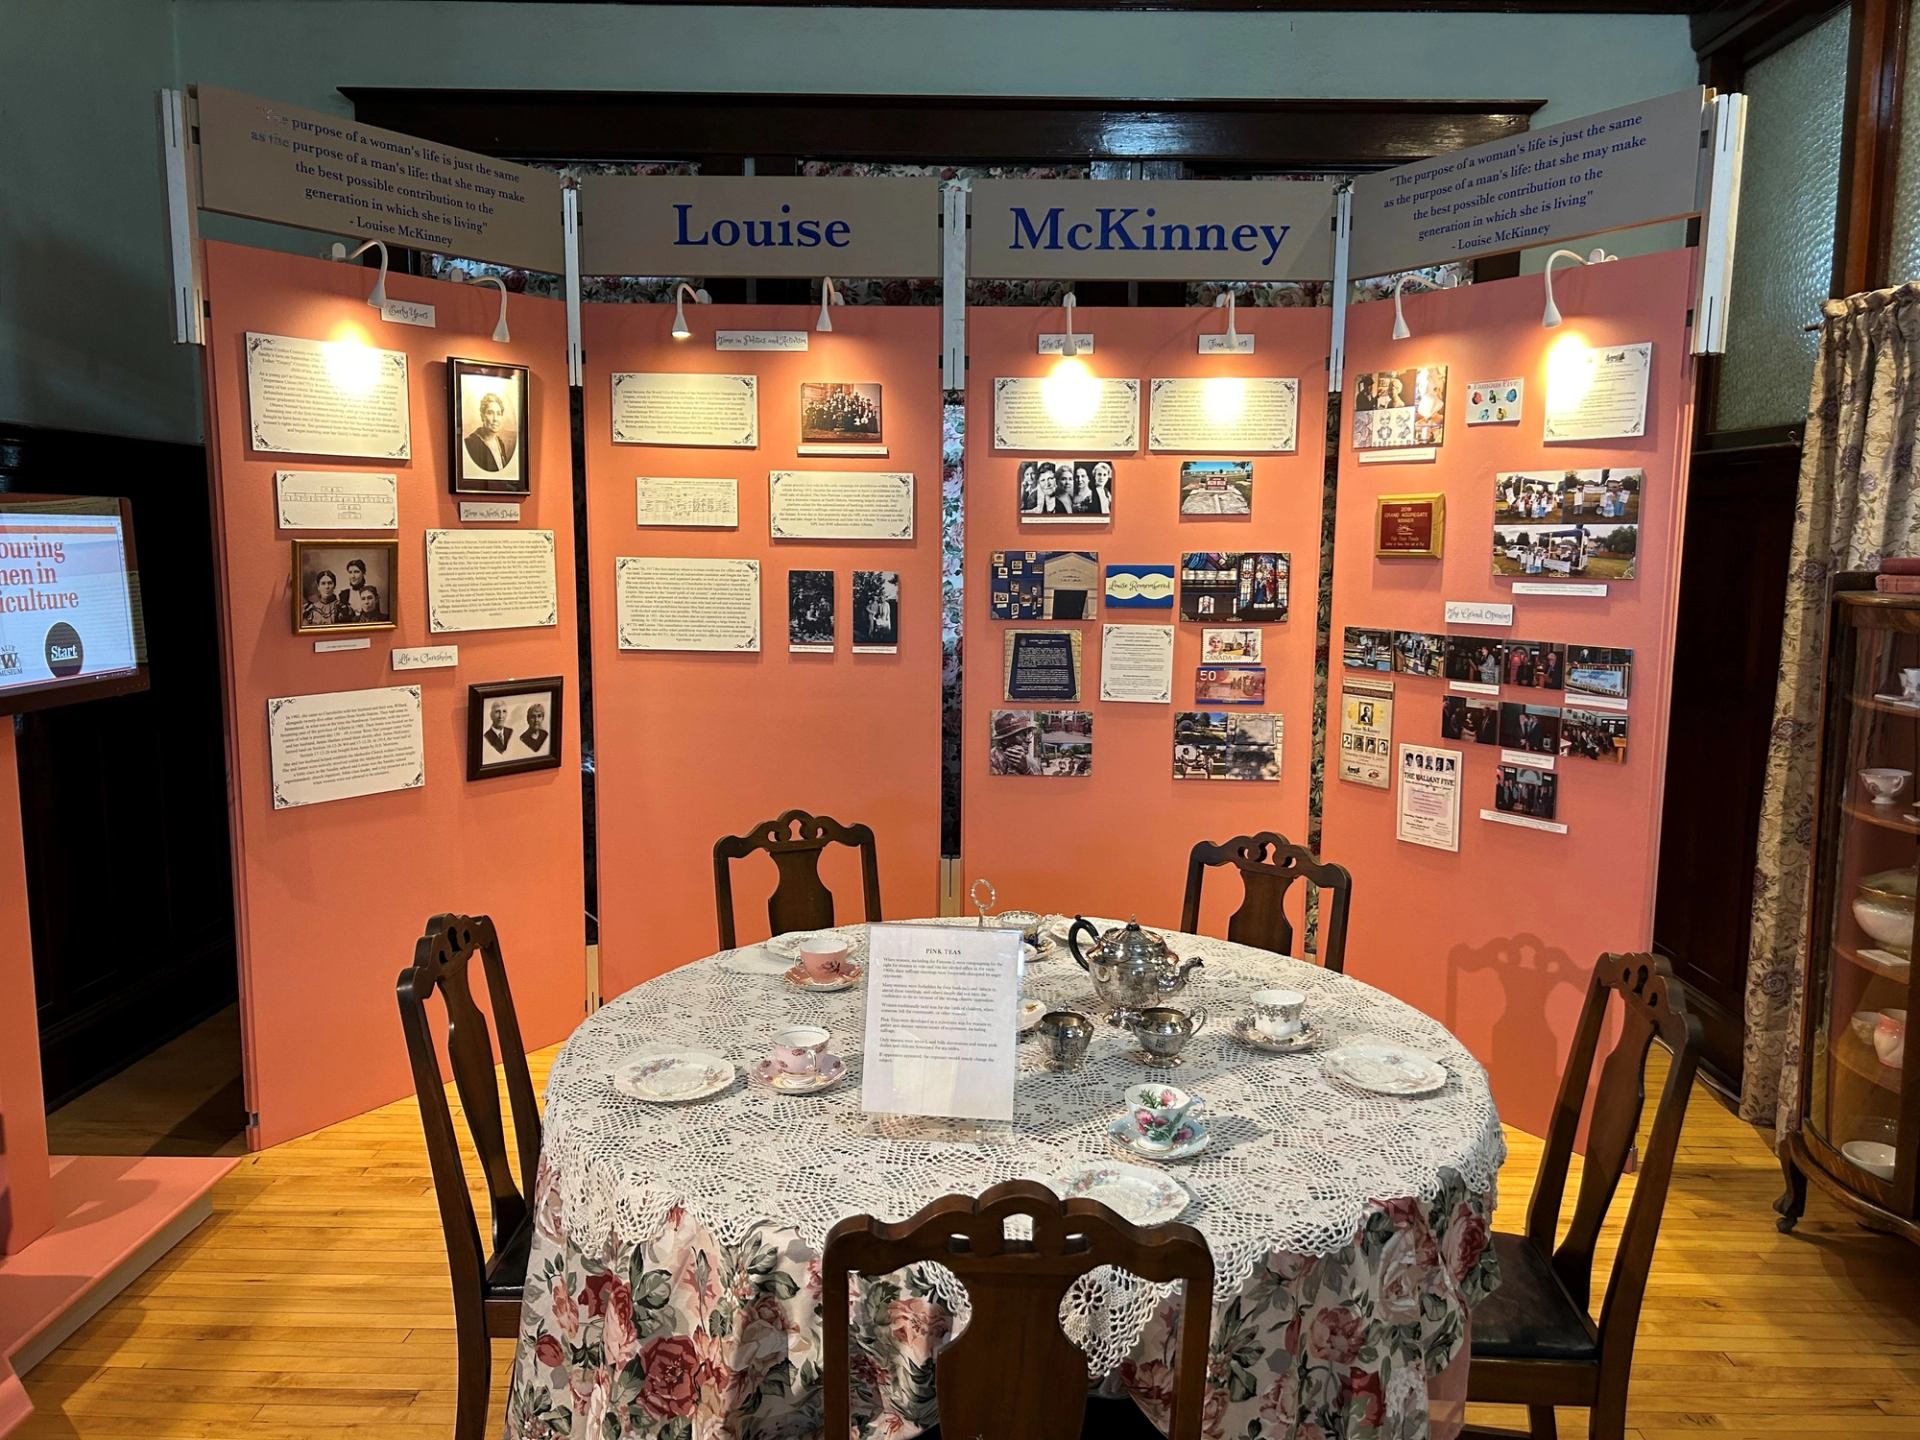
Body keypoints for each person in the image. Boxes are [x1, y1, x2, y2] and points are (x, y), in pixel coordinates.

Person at [464, 391, 517, 476]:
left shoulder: (500, 443)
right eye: (490, 413)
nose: (495, 419)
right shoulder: (470, 443)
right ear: (482, 416)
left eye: (498, 414)